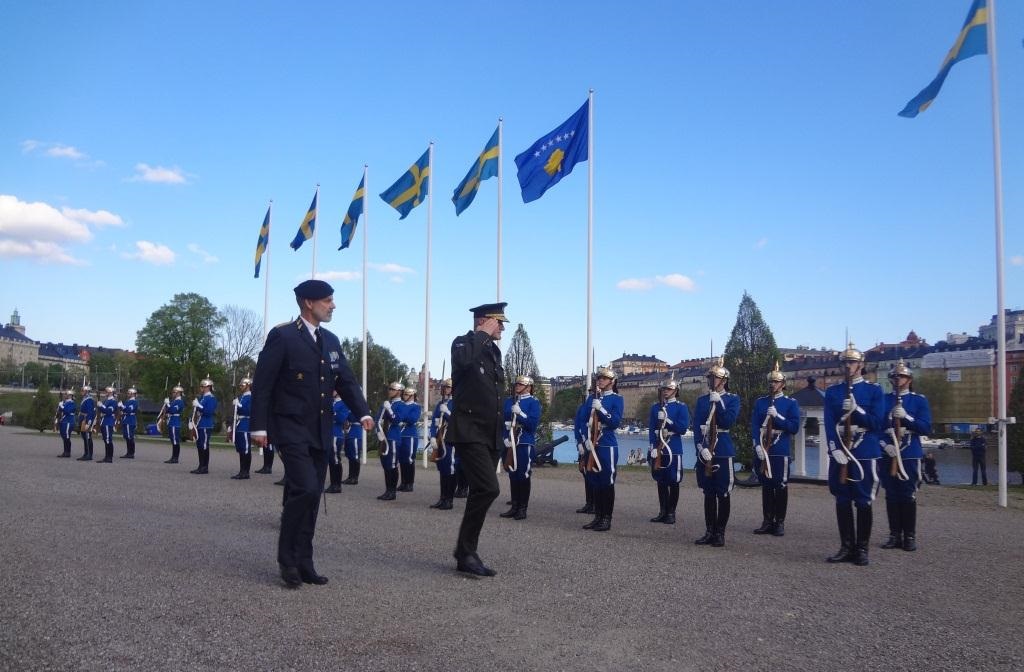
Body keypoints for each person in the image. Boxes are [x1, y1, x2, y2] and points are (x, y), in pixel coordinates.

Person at [250, 279, 374, 589]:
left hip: (320, 429)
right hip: (290, 426)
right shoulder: (283, 336)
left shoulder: (330, 340)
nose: (333, 305)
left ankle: (305, 560)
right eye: (327, 300)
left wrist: (363, 411)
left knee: (313, 494)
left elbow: (345, 380)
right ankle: (286, 559)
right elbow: (262, 384)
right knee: (304, 488)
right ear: (308, 303)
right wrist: (259, 426)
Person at [447, 302, 508, 576]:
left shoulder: (493, 352)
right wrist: (482, 333)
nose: (503, 327)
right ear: (484, 321)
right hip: (469, 430)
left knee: (481, 491)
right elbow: (463, 363)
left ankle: (466, 552)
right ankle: (466, 551)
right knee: (488, 488)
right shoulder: (463, 343)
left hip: (490, 433)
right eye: (499, 322)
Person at [823, 342, 884, 566]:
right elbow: (829, 423)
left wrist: (857, 411)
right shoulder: (833, 392)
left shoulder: (874, 391)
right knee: (842, 499)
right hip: (841, 450)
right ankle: (846, 546)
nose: (848, 366)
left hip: (864, 452)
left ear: (861, 365)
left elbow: (877, 423)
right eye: (845, 362)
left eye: (852, 362)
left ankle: (862, 548)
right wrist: (833, 448)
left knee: (863, 501)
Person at [879, 359, 932, 552]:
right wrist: (884, 445)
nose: (897, 379)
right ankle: (894, 534)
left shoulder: (918, 400)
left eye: (901, 376)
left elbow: (926, 427)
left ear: (909, 379)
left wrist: (907, 418)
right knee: (891, 495)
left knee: (907, 494)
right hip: (888, 451)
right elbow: (876, 428)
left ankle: (909, 535)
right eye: (894, 376)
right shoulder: (884, 400)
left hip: (909, 452)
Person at [692, 359, 740, 547]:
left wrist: (719, 403)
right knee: (708, 493)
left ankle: (720, 532)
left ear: (724, 380)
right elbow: (697, 426)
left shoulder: (732, 399)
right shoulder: (702, 400)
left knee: (723, 493)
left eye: (716, 378)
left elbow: (728, 421)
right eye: (710, 378)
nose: (712, 381)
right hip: (705, 448)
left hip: (722, 449)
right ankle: (709, 531)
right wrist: (699, 447)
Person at [750, 362, 801, 537]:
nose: (773, 384)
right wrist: (756, 444)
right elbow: (755, 425)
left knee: (780, 485)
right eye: (771, 382)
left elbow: (794, 427)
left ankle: (779, 522)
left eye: (776, 382)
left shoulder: (790, 403)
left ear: (783, 384)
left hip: (779, 448)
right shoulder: (760, 402)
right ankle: (767, 520)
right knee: (766, 485)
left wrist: (777, 417)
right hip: (763, 447)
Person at [574, 367, 624, 533]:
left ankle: (606, 518)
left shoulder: (617, 399)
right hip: (590, 444)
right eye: (599, 378)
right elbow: (581, 421)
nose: (600, 380)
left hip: (606, 445)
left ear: (612, 382)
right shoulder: (591, 399)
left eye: (603, 378)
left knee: (606, 482)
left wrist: (601, 410)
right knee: (594, 480)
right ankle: (597, 516)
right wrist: (583, 440)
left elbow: (615, 422)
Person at [647, 379, 690, 526]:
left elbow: (683, 428)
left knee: (673, 480)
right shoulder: (655, 407)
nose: (665, 391)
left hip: (673, 447)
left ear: (675, 390)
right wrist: (653, 446)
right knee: (661, 480)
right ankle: (662, 511)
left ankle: (671, 512)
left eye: (668, 389)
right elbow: (652, 429)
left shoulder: (681, 407)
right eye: (663, 389)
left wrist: (668, 420)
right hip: (659, 446)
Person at [499, 375, 542, 521]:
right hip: (510, 442)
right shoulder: (509, 401)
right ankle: (514, 506)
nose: (517, 386)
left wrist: (520, 413)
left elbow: (532, 425)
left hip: (524, 442)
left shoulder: (533, 402)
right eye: (516, 383)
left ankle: (522, 508)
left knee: (523, 474)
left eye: (520, 384)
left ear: (529, 387)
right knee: (512, 473)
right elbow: (504, 422)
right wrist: (505, 437)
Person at [375, 381, 406, 501]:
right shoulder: (386, 403)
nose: (390, 391)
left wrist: (390, 410)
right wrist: (378, 432)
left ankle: (392, 492)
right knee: (385, 464)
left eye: (392, 389)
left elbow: (397, 420)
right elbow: (377, 418)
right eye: (389, 389)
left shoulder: (401, 405)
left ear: (399, 392)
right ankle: (387, 490)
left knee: (392, 465)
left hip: (393, 437)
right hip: (383, 436)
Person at [428, 378, 455, 510]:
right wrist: (432, 436)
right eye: (444, 387)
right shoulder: (440, 404)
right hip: (439, 438)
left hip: (450, 439)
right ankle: (442, 498)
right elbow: (434, 422)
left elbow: (459, 422)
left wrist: (449, 413)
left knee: (449, 469)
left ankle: (449, 500)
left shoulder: (456, 403)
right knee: (442, 469)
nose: (445, 390)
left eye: (448, 387)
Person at [189, 378, 218, 475]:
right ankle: (201, 466)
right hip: (200, 424)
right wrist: (191, 420)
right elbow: (196, 412)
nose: (201, 388)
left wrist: (199, 406)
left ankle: (204, 467)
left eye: (203, 386)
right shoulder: (203, 398)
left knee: (204, 446)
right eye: (201, 386)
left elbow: (208, 412)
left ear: (209, 387)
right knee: (200, 446)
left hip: (206, 424)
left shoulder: (211, 398)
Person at [397, 386, 422, 492]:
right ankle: (403, 482)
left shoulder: (416, 406)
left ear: (412, 396)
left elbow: (412, 419)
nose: (404, 396)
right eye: (404, 394)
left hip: (410, 435)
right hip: (400, 434)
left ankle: (409, 483)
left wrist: (401, 417)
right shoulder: (401, 405)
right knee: (402, 459)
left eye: (407, 394)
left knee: (409, 459)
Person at [326, 391, 349, 493]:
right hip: (328, 433)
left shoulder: (343, 403)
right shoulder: (332, 402)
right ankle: (333, 484)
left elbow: (341, 418)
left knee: (335, 459)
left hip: (336, 433)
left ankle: (336, 485)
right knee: (331, 459)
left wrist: (331, 411)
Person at [231, 377, 253, 480]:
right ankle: (242, 471)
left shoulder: (251, 397)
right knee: (240, 449)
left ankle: (246, 472)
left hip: (246, 424)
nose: (240, 387)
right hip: (240, 424)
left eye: (242, 385)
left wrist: (239, 405)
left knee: (245, 449)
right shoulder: (242, 397)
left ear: (248, 385)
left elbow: (249, 411)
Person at [161, 384, 185, 464]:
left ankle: (175, 458)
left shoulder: (180, 402)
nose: (172, 394)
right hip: (172, 421)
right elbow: (168, 410)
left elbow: (173, 410)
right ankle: (173, 457)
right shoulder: (174, 401)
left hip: (175, 422)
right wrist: (166, 405)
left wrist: (168, 405)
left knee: (175, 440)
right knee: (173, 440)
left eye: (174, 392)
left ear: (178, 393)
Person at [96, 386, 118, 464]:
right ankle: (106, 457)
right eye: (106, 391)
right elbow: (102, 410)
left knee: (108, 440)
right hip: (104, 421)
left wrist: (101, 406)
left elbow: (109, 411)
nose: (106, 393)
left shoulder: (113, 401)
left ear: (111, 392)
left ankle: (109, 457)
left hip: (109, 421)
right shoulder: (106, 400)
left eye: (107, 392)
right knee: (106, 440)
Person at [342, 407, 363, 485]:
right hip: (350, 432)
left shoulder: (357, 408)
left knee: (355, 456)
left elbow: (353, 417)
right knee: (350, 456)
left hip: (356, 433)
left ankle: (355, 478)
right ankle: (350, 477)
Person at [76, 385, 97, 461]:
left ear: (87, 392)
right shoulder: (85, 399)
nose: (82, 392)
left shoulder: (88, 400)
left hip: (87, 420)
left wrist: (89, 422)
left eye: (83, 390)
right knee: (85, 438)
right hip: (83, 419)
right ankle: (86, 453)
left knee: (88, 438)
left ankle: (89, 454)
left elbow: (90, 412)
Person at [118, 387, 139, 459]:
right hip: (126, 419)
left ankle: (131, 453)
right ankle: (128, 452)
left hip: (130, 420)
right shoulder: (127, 401)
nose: (127, 394)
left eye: (129, 393)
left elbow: (129, 410)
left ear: (132, 394)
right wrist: (121, 408)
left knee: (130, 437)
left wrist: (122, 406)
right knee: (127, 437)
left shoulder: (134, 402)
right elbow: (124, 410)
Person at [56, 389, 76, 458]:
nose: (65, 395)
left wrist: (61, 406)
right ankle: (65, 452)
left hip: (68, 421)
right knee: (64, 436)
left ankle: (68, 452)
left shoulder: (71, 403)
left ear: (70, 395)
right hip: (64, 421)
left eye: (66, 394)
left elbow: (67, 411)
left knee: (67, 437)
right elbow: (60, 411)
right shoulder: (65, 402)